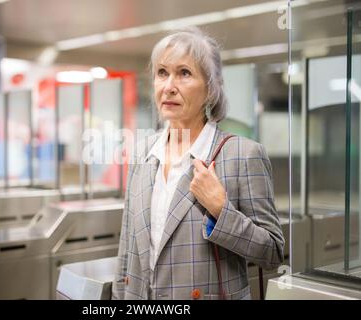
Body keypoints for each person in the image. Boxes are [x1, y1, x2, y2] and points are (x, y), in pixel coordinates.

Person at [112, 27, 284, 300]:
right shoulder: (143, 152)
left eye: (184, 73)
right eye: (162, 73)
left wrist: (221, 210)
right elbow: (127, 248)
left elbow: (273, 253)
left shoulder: (243, 155)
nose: (169, 86)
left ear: (210, 88)